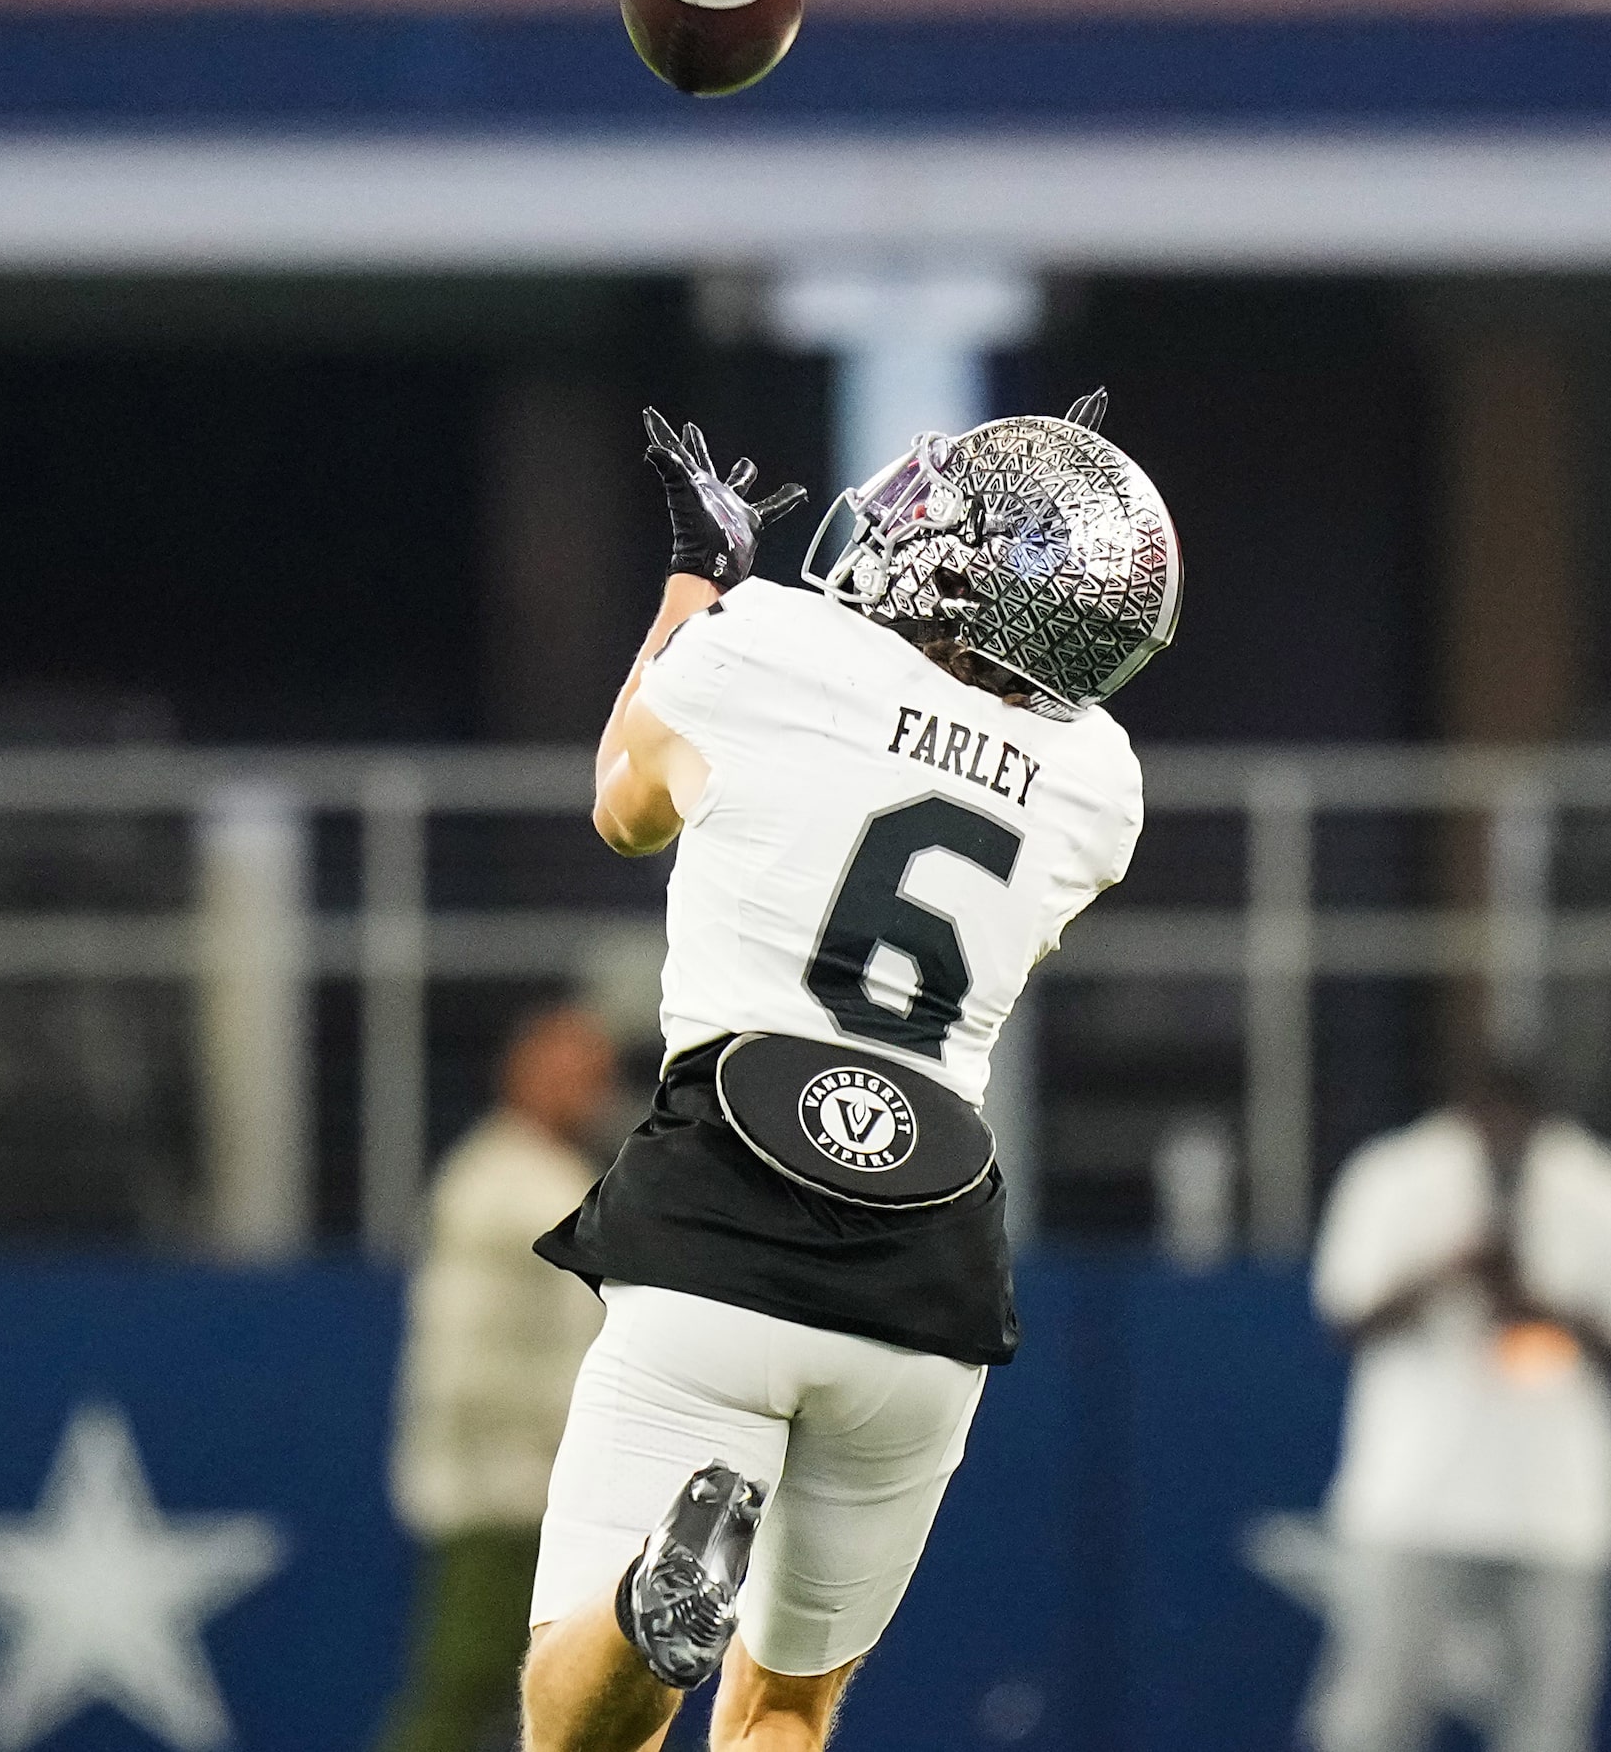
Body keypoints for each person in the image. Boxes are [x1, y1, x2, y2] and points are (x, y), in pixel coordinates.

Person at [520, 396, 1178, 1752]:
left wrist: (698, 583)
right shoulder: (1097, 782)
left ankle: (656, 1603)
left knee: (576, 1724)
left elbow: (623, 806)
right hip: (927, 1257)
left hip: (727, 1190)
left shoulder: (768, 643)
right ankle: (680, 1616)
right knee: (787, 1710)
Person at [1305, 1062, 1611, 1752]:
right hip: (1417, 1494)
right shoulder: (1395, 1175)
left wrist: (1548, 1306)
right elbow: (1342, 1319)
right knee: (1373, 1716)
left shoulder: (1594, 1185)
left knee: (1546, 1727)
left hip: (1556, 1506)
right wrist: (1446, 1274)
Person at [377, 1005, 621, 1752]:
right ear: (519, 1074)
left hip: (545, 1482)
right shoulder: (498, 1184)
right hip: (502, 1485)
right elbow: (458, 1358)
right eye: (565, 1072)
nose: (580, 1091)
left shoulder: (547, 1175)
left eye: (591, 1076)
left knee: (585, 1688)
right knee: (469, 1680)